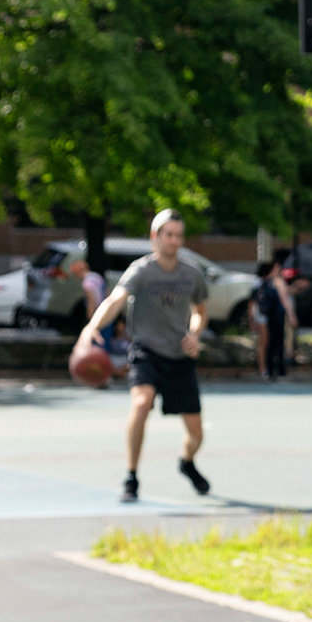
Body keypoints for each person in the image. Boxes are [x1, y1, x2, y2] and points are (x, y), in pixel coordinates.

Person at [74, 209, 211, 502]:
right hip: (146, 351)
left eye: (178, 236)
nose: (174, 241)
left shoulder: (191, 273)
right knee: (141, 403)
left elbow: (200, 312)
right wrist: (92, 327)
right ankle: (132, 476)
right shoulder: (141, 270)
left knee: (196, 435)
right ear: (155, 237)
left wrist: (194, 334)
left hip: (180, 357)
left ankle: (186, 462)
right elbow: (116, 299)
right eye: (168, 235)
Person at [252, 260, 290, 380]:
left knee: (271, 342)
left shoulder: (273, 282)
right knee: (265, 342)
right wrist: (252, 318)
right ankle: (264, 369)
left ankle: (268, 369)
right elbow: (252, 302)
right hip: (262, 316)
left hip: (270, 316)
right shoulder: (261, 283)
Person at [68, 255, 106, 325]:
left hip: (97, 314)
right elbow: (106, 292)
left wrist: (90, 319)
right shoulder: (96, 276)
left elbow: (91, 301)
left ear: (77, 272)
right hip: (106, 311)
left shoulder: (87, 283)